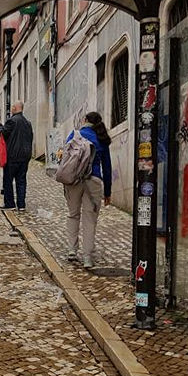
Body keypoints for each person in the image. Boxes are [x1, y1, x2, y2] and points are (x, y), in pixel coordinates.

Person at [64, 111, 113, 269]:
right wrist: (108, 193)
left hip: (74, 181)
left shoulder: (75, 134)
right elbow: (107, 167)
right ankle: (87, 258)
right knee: (90, 220)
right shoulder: (101, 139)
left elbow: (65, 156)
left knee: (73, 215)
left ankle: (72, 250)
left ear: (84, 120)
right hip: (94, 181)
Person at [0, 101, 33, 212]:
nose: (11, 108)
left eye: (12, 107)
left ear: (15, 108)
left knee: (8, 180)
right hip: (24, 156)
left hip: (12, 156)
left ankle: (10, 203)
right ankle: (21, 205)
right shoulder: (27, 122)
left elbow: (3, 133)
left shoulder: (12, 121)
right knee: (21, 181)